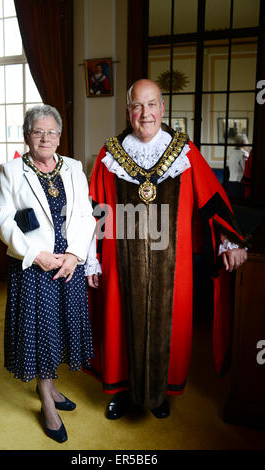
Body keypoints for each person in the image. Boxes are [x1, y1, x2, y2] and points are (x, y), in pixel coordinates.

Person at [86, 79, 247, 420]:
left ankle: (160, 392)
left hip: (174, 264)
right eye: (137, 106)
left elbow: (212, 200)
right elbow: (95, 211)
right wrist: (92, 260)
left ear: (162, 108)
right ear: (128, 111)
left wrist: (228, 241)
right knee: (118, 323)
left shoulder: (184, 153)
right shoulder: (108, 155)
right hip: (120, 260)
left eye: (151, 105)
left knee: (169, 325)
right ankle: (120, 390)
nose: (145, 114)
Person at [0, 105, 96, 443]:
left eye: (52, 132)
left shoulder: (75, 168)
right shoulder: (10, 171)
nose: (46, 138)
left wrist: (74, 256)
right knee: (39, 330)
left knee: (60, 328)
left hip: (67, 263)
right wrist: (35, 255)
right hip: (33, 265)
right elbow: (4, 218)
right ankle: (45, 397)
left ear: (60, 136)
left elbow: (84, 216)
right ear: (27, 135)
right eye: (38, 132)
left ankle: (50, 387)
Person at [227, 133, 249, 198]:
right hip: (239, 183)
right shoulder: (244, 153)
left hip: (230, 182)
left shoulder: (232, 153)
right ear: (244, 143)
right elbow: (246, 170)